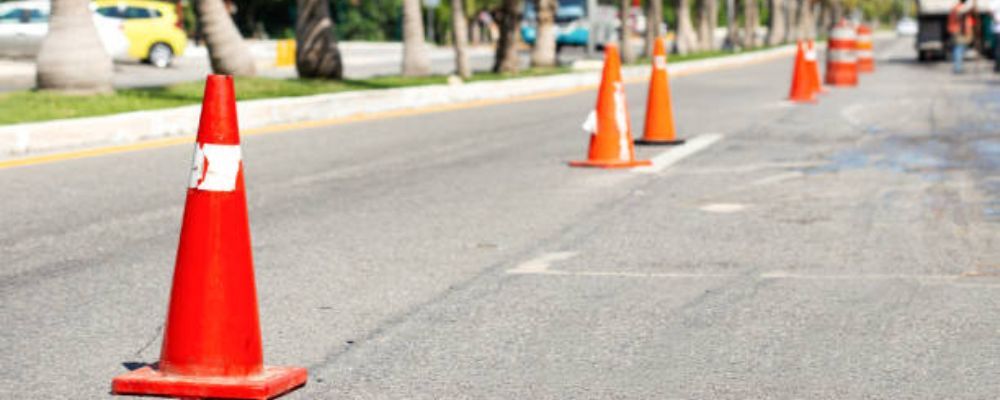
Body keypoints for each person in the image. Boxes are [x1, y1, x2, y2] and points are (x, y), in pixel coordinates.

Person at [949, 0, 976, 74]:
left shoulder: (958, 7)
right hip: (958, 31)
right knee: (958, 49)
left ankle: (958, 67)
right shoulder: (958, 8)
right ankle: (958, 68)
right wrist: (972, 3)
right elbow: (964, 10)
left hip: (960, 31)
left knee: (960, 49)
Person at [992, 0, 1000, 71]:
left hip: (997, 30)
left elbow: (990, 10)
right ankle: (997, 66)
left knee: (997, 49)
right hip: (997, 29)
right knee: (998, 49)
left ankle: (997, 66)